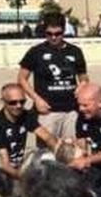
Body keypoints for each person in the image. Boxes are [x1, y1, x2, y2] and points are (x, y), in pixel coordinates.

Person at [18, 12, 89, 140]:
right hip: (47, 112)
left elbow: (83, 77)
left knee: (72, 149)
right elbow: (22, 78)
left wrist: (83, 85)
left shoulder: (75, 51)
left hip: (71, 111)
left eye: (58, 33)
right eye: (49, 34)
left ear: (64, 31)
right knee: (47, 151)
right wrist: (36, 99)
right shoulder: (36, 52)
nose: (54, 37)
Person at [0, 83, 57, 179]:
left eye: (22, 101)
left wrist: (58, 150)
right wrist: (26, 179)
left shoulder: (25, 116)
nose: (18, 105)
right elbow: (5, 165)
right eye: (13, 102)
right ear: (3, 102)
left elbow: (47, 137)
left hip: (17, 166)